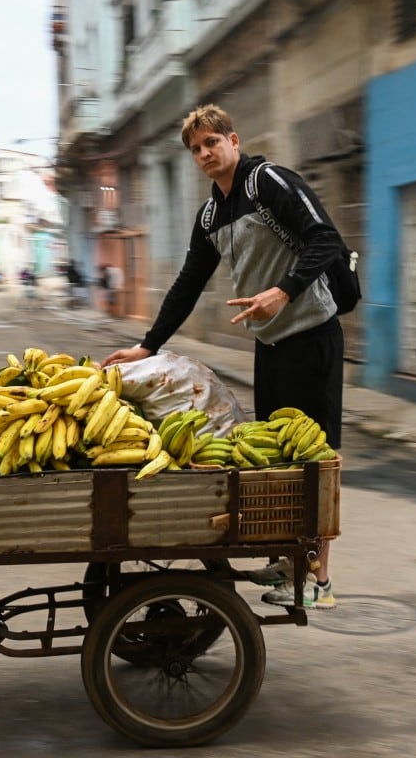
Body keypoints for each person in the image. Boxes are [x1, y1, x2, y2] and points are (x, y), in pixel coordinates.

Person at [100, 103, 344, 610]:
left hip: (311, 335)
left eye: (212, 142)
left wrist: (283, 290)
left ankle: (320, 579)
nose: (205, 153)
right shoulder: (212, 214)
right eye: (196, 149)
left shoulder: (268, 182)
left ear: (234, 140)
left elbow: (328, 240)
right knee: (274, 457)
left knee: (314, 459)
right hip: (271, 345)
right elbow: (190, 281)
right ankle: (289, 560)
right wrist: (150, 344)